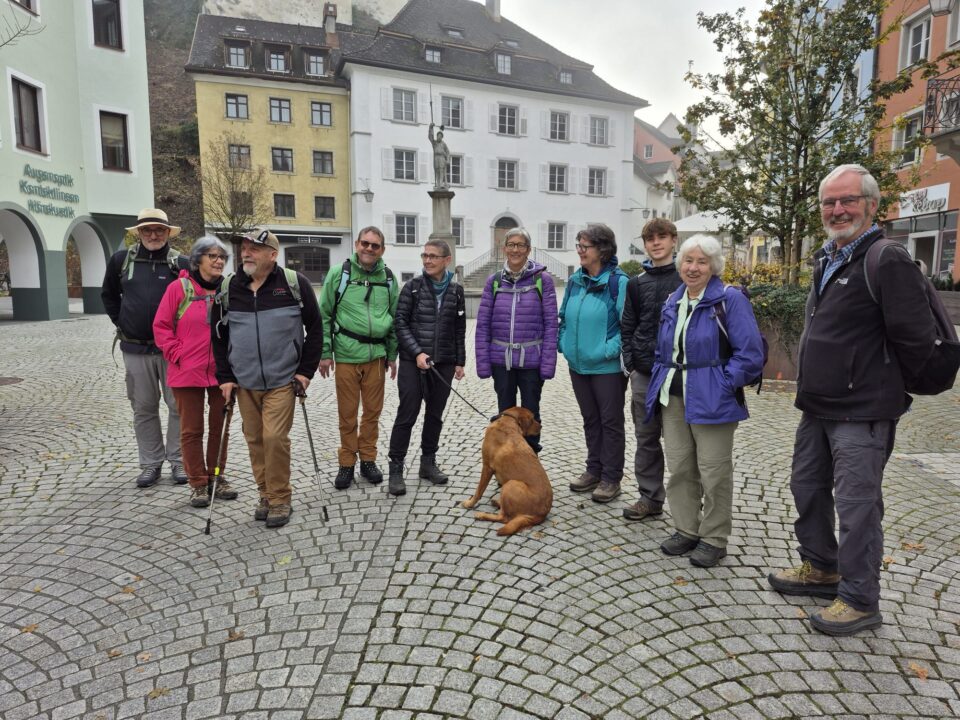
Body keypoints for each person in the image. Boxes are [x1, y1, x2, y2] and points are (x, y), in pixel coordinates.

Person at [768, 164, 937, 636]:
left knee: (859, 506)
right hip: (818, 405)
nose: (837, 209)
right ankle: (822, 567)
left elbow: (916, 340)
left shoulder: (887, 258)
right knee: (807, 488)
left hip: (862, 412)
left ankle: (860, 599)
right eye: (829, 202)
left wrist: (879, 386)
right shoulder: (829, 258)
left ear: (871, 206)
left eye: (847, 200)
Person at [644, 235, 764, 568]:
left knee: (714, 472)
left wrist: (724, 383)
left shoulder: (730, 300)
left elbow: (750, 354)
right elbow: (663, 350)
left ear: (713, 266)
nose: (693, 268)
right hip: (675, 397)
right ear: (679, 264)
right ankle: (686, 529)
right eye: (688, 260)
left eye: (701, 261)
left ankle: (713, 538)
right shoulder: (673, 299)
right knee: (681, 468)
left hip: (714, 399)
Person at [211, 228, 323, 529]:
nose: (246, 252)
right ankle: (265, 494)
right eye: (244, 247)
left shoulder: (293, 284)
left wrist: (305, 372)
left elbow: (315, 329)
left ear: (272, 255)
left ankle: (280, 498)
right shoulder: (229, 288)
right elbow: (218, 336)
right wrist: (225, 376)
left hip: (282, 379)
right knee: (255, 440)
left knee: (274, 438)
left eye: (255, 248)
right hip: (244, 380)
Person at [101, 208, 189, 488]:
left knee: (179, 407)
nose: (153, 235)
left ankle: (178, 461)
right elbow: (109, 295)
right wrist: (124, 322)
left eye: (159, 230)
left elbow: (193, 300)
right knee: (143, 408)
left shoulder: (181, 263)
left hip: (172, 351)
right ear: (138, 233)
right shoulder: (120, 261)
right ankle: (151, 464)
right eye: (147, 230)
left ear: (167, 233)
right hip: (136, 348)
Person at [153, 236, 239, 509]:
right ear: (197, 259)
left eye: (222, 257)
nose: (218, 261)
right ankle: (198, 483)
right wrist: (178, 354)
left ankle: (216, 476)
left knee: (220, 428)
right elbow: (161, 327)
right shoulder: (179, 289)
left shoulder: (227, 290)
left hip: (221, 372)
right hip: (186, 372)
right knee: (191, 430)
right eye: (212, 256)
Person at [318, 227, 399, 490]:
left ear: (382, 250)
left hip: (376, 357)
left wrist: (392, 353)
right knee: (348, 414)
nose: (369, 249)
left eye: (375, 245)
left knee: (372, 414)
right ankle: (346, 463)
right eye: (365, 243)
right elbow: (325, 315)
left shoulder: (388, 278)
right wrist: (325, 353)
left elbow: (396, 318)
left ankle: (368, 459)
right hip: (346, 355)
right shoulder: (338, 274)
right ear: (356, 244)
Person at [387, 239, 466, 496]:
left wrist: (459, 361)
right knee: (407, 414)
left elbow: (459, 329)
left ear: (447, 260)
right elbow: (400, 323)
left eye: (433, 256)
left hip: (442, 363)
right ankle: (396, 468)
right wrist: (417, 352)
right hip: (413, 362)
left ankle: (427, 463)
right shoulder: (412, 288)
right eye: (425, 255)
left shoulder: (456, 291)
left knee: (435, 415)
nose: (427, 260)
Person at [559, 223, 630, 503]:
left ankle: (611, 478)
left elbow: (628, 326)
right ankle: (593, 470)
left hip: (607, 368)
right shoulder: (576, 280)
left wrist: (607, 351)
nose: (580, 251)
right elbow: (562, 317)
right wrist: (564, 344)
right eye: (578, 246)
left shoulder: (618, 283)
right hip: (578, 366)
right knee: (590, 420)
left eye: (584, 247)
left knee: (610, 422)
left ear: (602, 249)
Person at [620, 219, 682, 522]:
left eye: (662, 237)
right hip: (644, 373)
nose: (656, 243)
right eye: (650, 239)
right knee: (646, 439)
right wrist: (631, 366)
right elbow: (627, 326)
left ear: (673, 240)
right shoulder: (636, 283)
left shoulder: (687, 278)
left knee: (681, 442)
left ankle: (687, 504)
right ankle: (649, 496)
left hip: (679, 375)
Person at [475, 227, 558, 453]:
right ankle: (508, 457)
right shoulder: (493, 281)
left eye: (521, 245)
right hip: (502, 362)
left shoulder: (543, 280)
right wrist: (483, 363)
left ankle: (530, 458)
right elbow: (482, 324)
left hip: (532, 360)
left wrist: (548, 364)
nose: (515, 249)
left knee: (531, 413)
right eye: (511, 245)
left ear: (528, 250)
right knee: (506, 414)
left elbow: (551, 324)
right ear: (504, 249)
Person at [429, 123, 450, 190]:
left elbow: (448, 152)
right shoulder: (434, 143)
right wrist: (431, 128)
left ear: (442, 137)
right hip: (436, 158)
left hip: (442, 158)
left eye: (440, 136)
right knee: (437, 170)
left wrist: (448, 160)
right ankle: (438, 184)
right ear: (437, 136)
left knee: (441, 170)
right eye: (438, 136)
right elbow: (430, 137)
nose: (439, 137)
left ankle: (441, 184)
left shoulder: (443, 144)